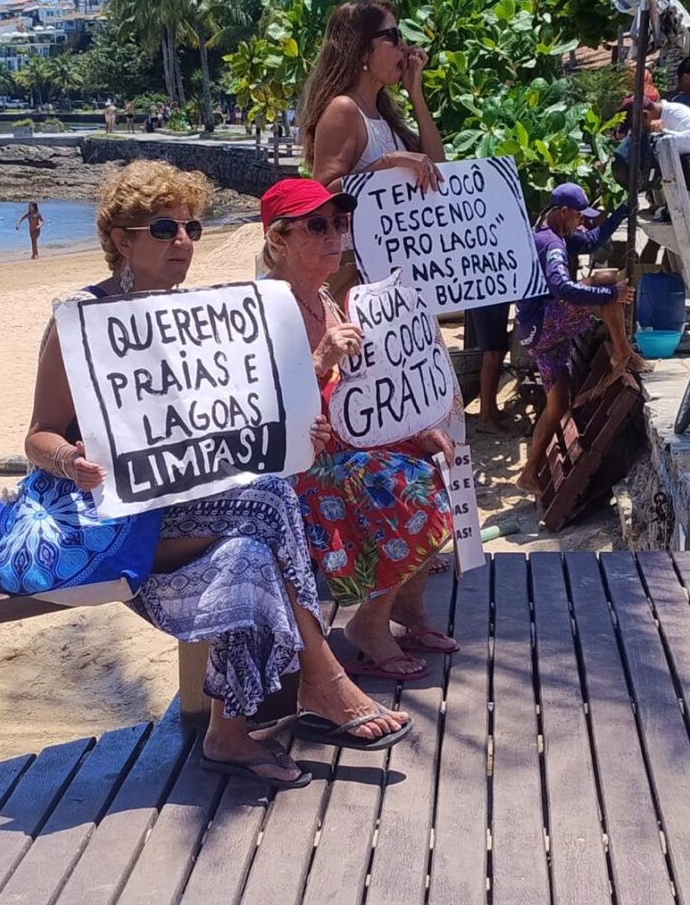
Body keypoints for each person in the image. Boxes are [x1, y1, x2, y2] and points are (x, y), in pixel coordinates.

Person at [0, 161, 411, 791]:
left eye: (191, 227)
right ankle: (322, 678)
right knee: (267, 503)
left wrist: (299, 430)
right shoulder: (79, 320)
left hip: (190, 508)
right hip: (111, 514)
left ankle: (229, 735)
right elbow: (37, 435)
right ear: (122, 239)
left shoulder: (196, 318)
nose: (182, 241)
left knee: (246, 552)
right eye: (163, 228)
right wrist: (70, 462)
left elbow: (235, 421)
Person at [261, 177, 458, 680]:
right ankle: (367, 625)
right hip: (289, 466)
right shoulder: (262, 308)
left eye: (339, 223)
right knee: (401, 485)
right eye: (316, 226)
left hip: (337, 448)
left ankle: (407, 610)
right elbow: (254, 405)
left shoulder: (328, 300)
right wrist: (320, 360)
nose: (334, 235)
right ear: (278, 239)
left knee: (435, 464)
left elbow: (364, 397)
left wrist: (415, 430)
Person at [298, 0, 445, 305]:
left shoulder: (381, 112)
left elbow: (438, 166)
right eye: (392, 36)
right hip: (359, 276)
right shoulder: (344, 109)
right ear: (362, 50)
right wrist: (389, 163)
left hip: (399, 271)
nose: (404, 47)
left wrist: (416, 94)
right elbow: (323, 194)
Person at [515, 184, 649, 495]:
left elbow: (591, 241)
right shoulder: (552, 245)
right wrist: (609, 294)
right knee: (606, 279)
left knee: (558, 404)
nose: (582, 222)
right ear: (563, 212)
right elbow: (562, 287)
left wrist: (621, 213)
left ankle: (529, 473)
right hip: (545, 324)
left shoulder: (549, 229)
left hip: (534, 333)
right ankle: (623, 353)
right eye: (579, 216)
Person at [641, 96, 690, 296]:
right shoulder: (662, 117)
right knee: (675, 248)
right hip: (681, 196)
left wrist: (663, 133)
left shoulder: (677, 113)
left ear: (645, 115)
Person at [468, 303, 512, 433]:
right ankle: (485, 417)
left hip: (497, 299)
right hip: (486, 301)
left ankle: (491, 408)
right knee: (492, 354)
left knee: (499, 351)